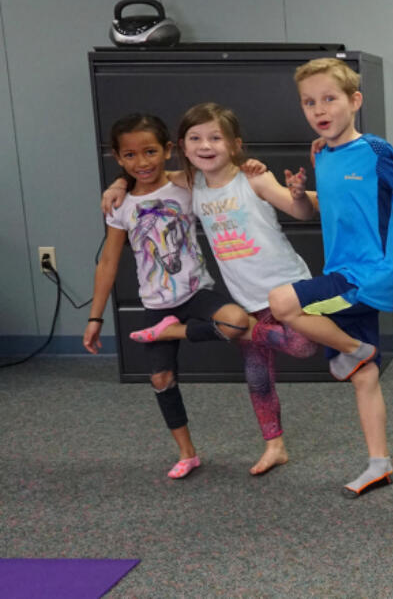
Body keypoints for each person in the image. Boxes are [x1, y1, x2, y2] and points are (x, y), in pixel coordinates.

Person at [101, 103, 320, 476]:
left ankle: (177, 330)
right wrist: (119, 182)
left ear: (235, 144)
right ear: (183, 147)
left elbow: (301, 212)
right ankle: (274, 446)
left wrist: (299, 194)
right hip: (246, 297)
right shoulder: (192, 181)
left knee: (303, 344)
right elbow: (147, 173)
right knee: (258, 375)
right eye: (196, 139)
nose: (205, 145)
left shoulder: (254, 178)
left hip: (287, 287)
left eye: (215, 138)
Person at [268, 58, 393, 498]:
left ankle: (354, 347)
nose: (320, 109)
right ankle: (379, 464)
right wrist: (300, 195)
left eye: (329, 98)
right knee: (364, 376)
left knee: (281, 302)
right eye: (309, 102)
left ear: (354, 101)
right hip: (341, 272)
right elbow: (327, 207)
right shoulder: (322, 154)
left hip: (367, 275)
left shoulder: (374, 150)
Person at [84, 113, 248, 479]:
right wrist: (95, 317)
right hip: (156, 303)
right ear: (117, 157)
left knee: (237, 323)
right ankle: (187, 452)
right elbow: (109, 261)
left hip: (196, 292)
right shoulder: (120, 205)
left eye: (150, 152)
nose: (141, 162)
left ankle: (168, 332)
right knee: (160, 378)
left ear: (168, 150)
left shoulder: (185, 186)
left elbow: (220, 170)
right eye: (129, 156)